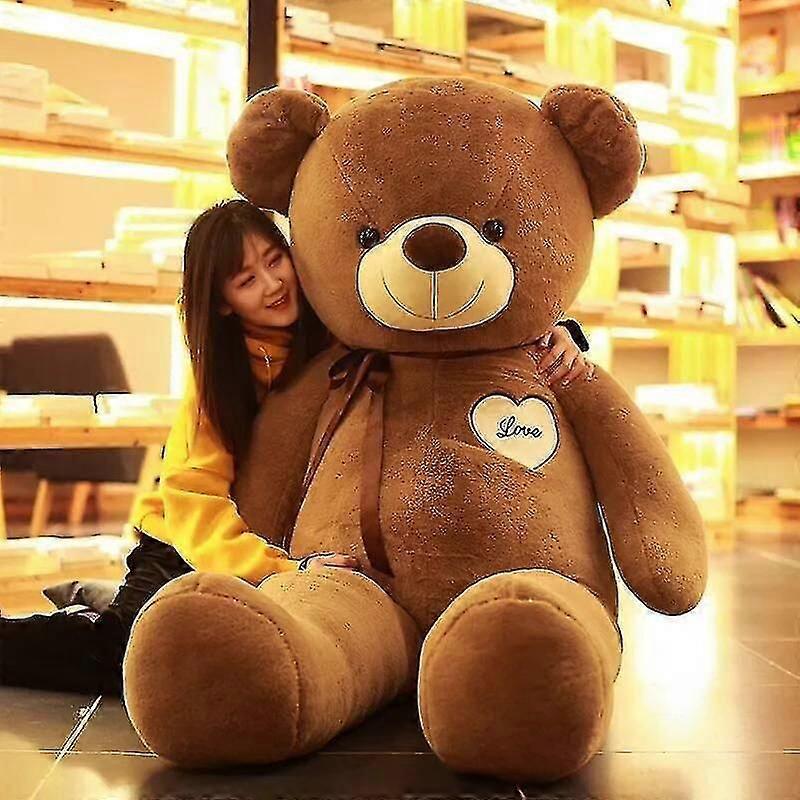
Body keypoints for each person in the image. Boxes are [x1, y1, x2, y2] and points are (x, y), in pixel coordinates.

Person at [0, 199, 593, 695]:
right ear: (223, 302)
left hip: (278, 542)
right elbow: (192, 503)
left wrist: (557, 331)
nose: (273, 284)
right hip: (191, 542)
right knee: (124, 659)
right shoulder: (221, 379)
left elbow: (429, 319)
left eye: (274, 259)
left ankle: (103, 598)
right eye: (246, 280)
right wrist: (279, 569)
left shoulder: (336, 328)